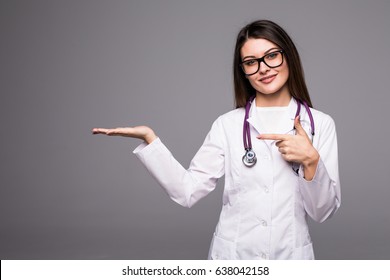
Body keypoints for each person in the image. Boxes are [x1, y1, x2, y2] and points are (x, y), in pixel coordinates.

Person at [92, 20, 340, 260]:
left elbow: (322, 212)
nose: (263, 68)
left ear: (289, 56)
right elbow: (187, 191)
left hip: (290, 256)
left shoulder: (320, 124)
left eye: (272, 55)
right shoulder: (228, 125)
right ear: (243, 71)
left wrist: (311, 162)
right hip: (233, 259)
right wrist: (150, 140)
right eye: (251, 62)